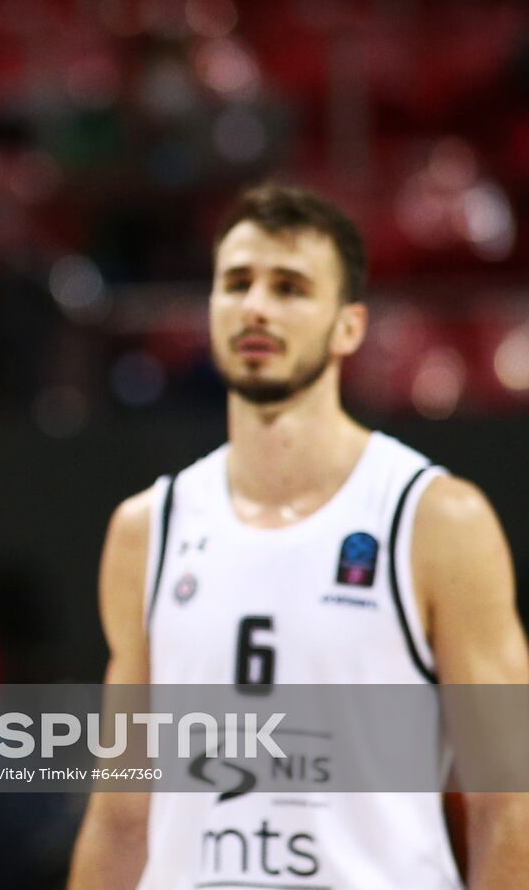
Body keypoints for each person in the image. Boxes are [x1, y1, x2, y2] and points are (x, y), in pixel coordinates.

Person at [68, 185, 529, 889]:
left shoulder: (435, 519)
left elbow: (508, 804)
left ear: (348, 326)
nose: (256, 305)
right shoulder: (147, 529)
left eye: (289, 287)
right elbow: (122, 811)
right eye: (237, 282)